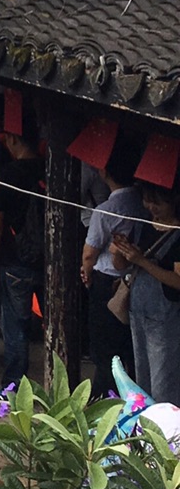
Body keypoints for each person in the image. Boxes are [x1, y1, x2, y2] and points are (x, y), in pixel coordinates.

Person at [0, 126, 46, 403]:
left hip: (14, 260)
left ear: (14, 139)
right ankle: (62, 386)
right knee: (54, 325)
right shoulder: (50, 170)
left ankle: (13, 387)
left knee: (15, 326)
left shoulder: (7, 175)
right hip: (51, 261)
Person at [110, 186, 180, 405]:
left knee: (163, 381)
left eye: (158, 203)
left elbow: (177, 280)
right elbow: (121, 266)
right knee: (141, 377)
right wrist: (120, 251)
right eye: (148, 201)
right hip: (138, 309)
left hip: (165, 315)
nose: (152, 208)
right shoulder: (141, 225)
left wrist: (142, 261)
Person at [81, 153, 143, 384]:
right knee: (130, 344)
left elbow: (90, 253)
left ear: (104, 172)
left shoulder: (105, 210)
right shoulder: (143, 204)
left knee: (105, 346)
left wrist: (86, 274)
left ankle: (106, 393)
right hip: (135, 278)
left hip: (107, 280)